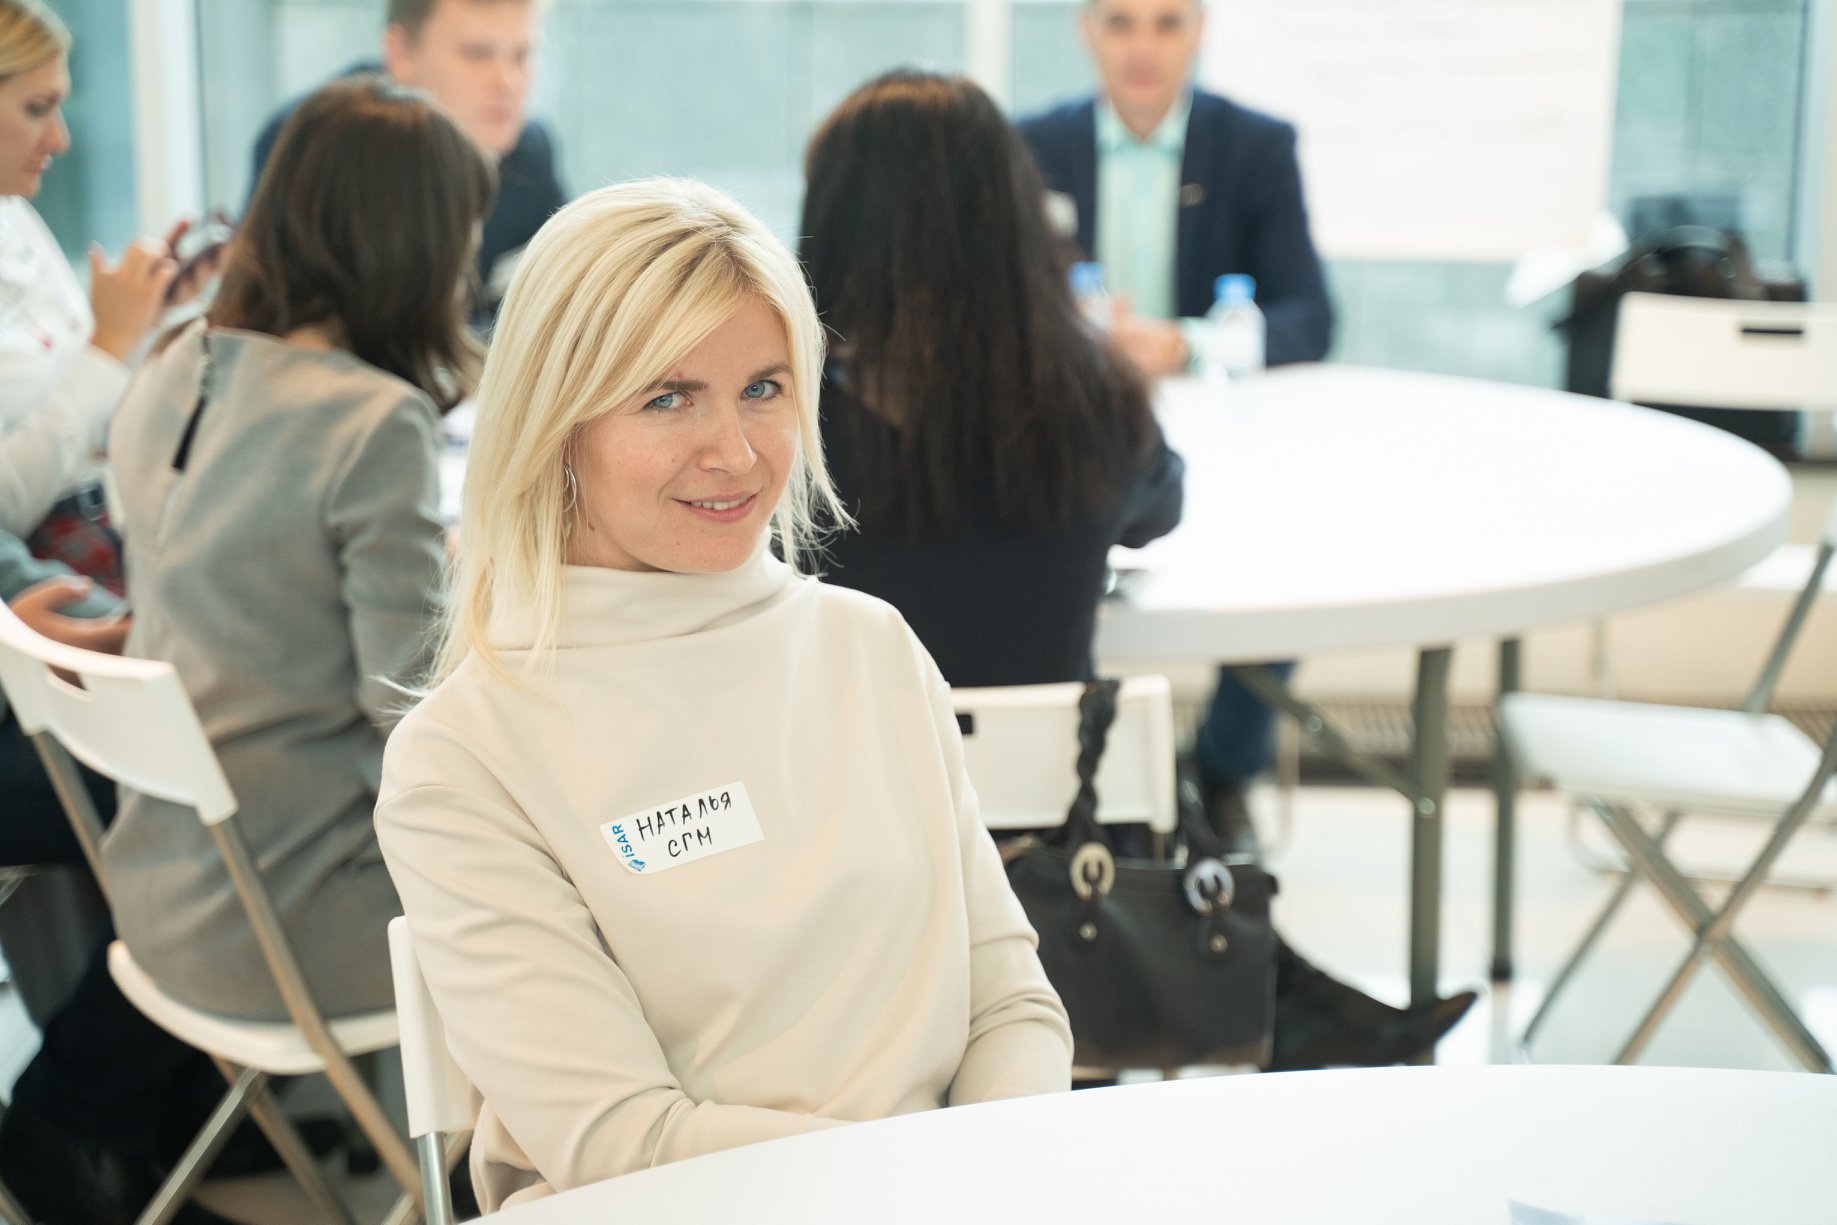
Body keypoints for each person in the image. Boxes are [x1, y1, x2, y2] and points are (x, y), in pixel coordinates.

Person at [374, 177, 1074, 1212]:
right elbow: (621, 1139)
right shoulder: (465, 754)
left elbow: (1009, 1005)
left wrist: (980, 1183)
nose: (737, 452)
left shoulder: (869, 647)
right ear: (554, 423)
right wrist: (914, 1186)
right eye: (668, 397)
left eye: (763, 387)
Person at [805, 69, 1471, 1072]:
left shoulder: (785, 419)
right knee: (1164, 786)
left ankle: (1311, 1006)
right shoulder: (1090, 401)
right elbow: (1159, 511)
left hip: (838, 828)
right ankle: (1295, 1004)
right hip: (1055, 848)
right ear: (1015, 215)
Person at [0, 74, 495, 1225]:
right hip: (295, 932)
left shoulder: (181, 360)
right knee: (564, 875)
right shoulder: (374, 422)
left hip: (161, 899)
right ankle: (503, 1191)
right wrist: (473, 586)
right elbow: (411, 709)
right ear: (415, 244)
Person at [1019, 0, 1334, 855]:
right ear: (1085, 31)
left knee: (1283, 565)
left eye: (1166, 22)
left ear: (1198, 30)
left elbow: (1309, 315)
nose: (1143, 47)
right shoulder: (1030, 146)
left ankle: (1224, 769)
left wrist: (1187, 344)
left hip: (1224, 429)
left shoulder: (1253, 145)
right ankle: (1073, 780)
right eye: (1120, 22)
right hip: (1069, 433)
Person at [249, 0, 562, 322]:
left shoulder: (529, 151)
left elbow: (551, 302)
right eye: (477, 54)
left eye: (521, 56)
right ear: (401, 53)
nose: (508, 82)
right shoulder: (312, 144)